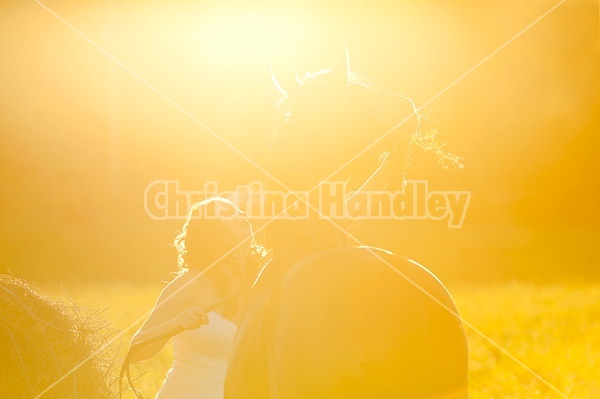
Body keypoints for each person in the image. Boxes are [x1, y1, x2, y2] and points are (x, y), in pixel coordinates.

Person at [128, 197, 265, 399]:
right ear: (210, 231)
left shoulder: (262, 283)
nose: (242, 216)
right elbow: (137, 351)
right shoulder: (190, 285)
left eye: (242, 212)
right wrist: (176, 324)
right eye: (228, 213)